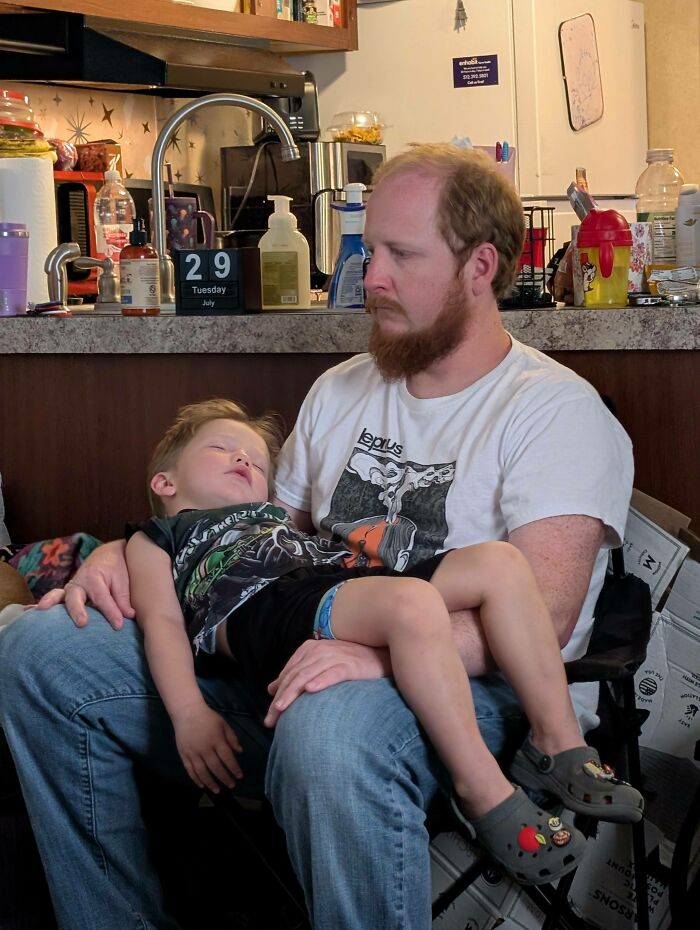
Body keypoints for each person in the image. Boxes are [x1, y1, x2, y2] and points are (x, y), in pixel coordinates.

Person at [0, 143, 634, 930]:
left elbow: (549, 612)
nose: (369, 279)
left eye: (400, 255)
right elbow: (264, 545)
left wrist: (373, 652)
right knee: (38, 650)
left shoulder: (553, 411)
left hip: (477, 691)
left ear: (480, 267)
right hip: (303, 641)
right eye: (369, 252)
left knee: (327, 725)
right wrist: (124, 564)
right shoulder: (343, 388)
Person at [126, 399, 641, 887]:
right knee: (411, 604)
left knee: (501, 564)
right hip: (263, 611)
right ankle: (481, 790)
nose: (243, 458)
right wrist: (188, 713)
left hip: (329, 580)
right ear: (164, 482)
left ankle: (557, 742)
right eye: (220, 448)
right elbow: (162, 623)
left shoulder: (275, 519)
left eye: (257, 463)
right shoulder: (159, 537)